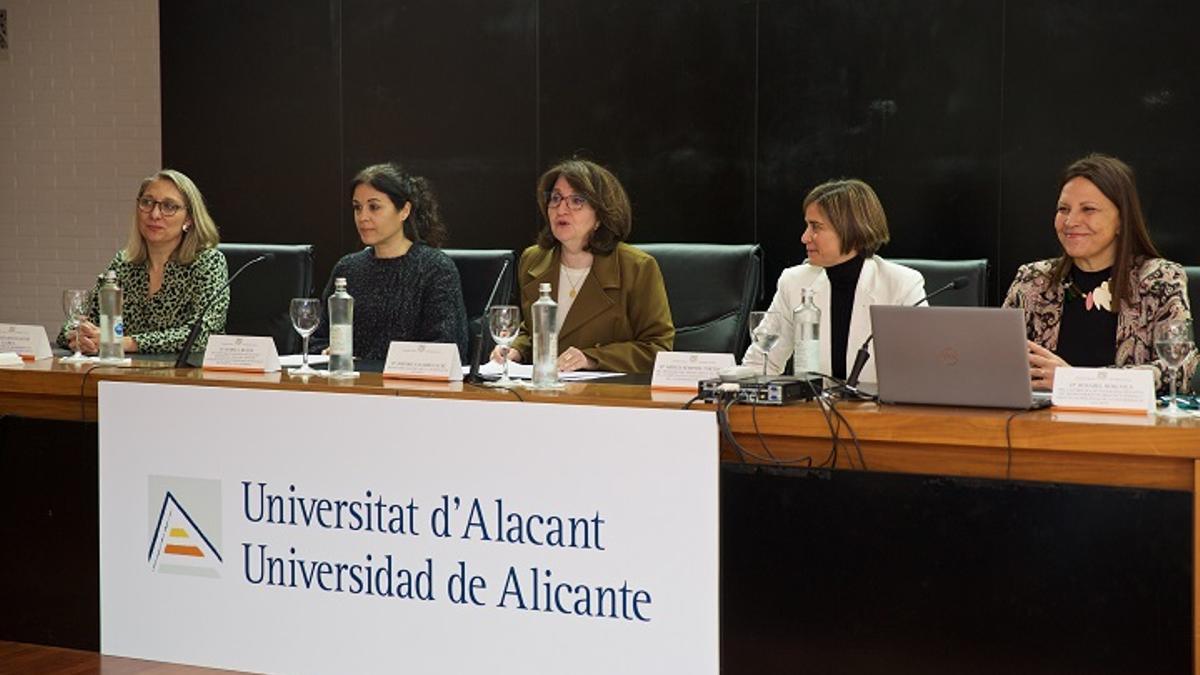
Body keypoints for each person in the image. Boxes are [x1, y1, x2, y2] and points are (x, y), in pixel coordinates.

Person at [1002, 153, 1195, 392]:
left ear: (1122, 220)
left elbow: (1180, 370)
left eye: (1088, 209)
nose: (1071, 221)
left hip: (1126, 427)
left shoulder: (1160, 279)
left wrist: (1075, 381)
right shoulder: (1033, 280)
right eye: (1063, 209)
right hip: (1040, 424)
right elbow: (996, 358)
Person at [493, 158, 673, 374]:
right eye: (556, 198)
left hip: (606, 397)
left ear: (600, 215)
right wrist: (515, 349)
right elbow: (532, 331)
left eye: (576, 200)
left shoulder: (636, 267)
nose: (561, 209)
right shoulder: (533, 259)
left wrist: (591, 358)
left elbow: (657, 348)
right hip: (543, 389)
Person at [743, 178, 925, 382]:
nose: (805, 237)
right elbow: (761, 362)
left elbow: (924, 370)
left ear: (852, 230)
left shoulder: (902, 284)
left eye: (816, 227)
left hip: (879, 411)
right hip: (813, 410)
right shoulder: (794, 282)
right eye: (807, 226)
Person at [310, 162, 468, 361]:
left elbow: (447, 347)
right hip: (348, 385)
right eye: (357, 208)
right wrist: (326, 352)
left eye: (374, 207)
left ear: (404, 211)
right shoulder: (347, 268)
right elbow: (316, 338)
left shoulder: (435, 268)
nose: (362, 217)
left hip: (411, 387)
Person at [59, 169, 228, 354]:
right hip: (122, 374)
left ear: (189, 218)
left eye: (169, 206)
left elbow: (203, 335)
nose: (154, 214)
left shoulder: (208, 262)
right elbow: (85, 319)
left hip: (184, 377)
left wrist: (123, 343)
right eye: (147, 202)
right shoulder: (123, 264)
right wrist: (80, 338)